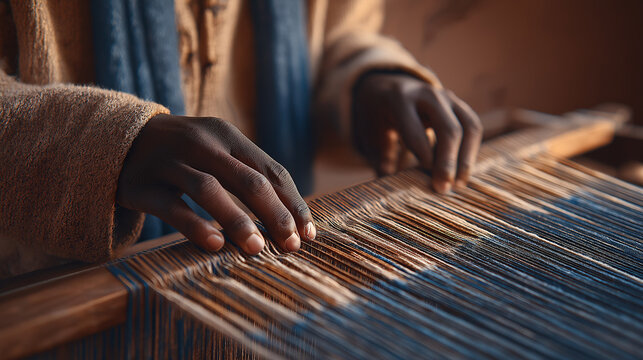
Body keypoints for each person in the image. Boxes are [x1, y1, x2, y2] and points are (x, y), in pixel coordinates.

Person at [0, 0, 482, 277]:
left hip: (276, 289)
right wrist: (109, 143)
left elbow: (340, 28)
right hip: (50, 297)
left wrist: (368, 77)